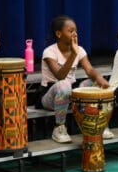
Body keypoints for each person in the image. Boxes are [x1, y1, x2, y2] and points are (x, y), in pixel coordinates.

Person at [38, 15, 112, 143]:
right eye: (70, 31)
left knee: (94, 83)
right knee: (64, 84)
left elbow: (89, 70)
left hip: (70, 94)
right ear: (59, 33)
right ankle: (59, 128)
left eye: (75, 31)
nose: (74, 34)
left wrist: (100, 78)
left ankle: (100, 125)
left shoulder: (80, 50)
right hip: (50, 97)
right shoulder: (49, 52)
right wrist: (73, 54)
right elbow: (60, 76)